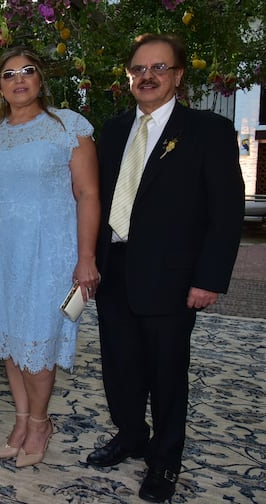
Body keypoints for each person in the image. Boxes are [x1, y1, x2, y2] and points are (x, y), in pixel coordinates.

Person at [88, 34, 244, 502]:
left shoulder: (208, 131)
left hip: (172, 278)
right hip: (113, 268)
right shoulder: (112, 131)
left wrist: (208, 279)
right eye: (139, 69)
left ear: (177, 76)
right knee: (119, 365)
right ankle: (131, 433)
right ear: (129, 77)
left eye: (159, 68)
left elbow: (226, 212)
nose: (147, 76)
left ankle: (165, 460)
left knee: (167, 372)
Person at [0, 46, 100, 468]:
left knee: (38, 345)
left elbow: (88, 194)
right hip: (2, 252)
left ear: (40, 78)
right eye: (9, 74)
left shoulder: (67, 126)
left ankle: (41, 423)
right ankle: (22, 419)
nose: (19, 79)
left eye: (27, 71)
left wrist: (86, 256)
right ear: (0, 86)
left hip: (50, 252)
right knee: (12, 344)